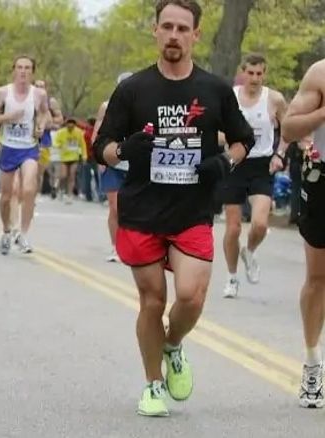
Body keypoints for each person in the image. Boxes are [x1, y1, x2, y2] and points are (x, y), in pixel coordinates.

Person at [93, 0, 254, 417]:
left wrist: (224, 162)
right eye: (167, 27)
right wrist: (124, 149)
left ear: (196, 35)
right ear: (155, 31)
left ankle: (173, 344)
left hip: (192, 210)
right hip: (142, 210)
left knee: (190, 296)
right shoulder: (132, 89)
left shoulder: (215, 89)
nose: (174, 36)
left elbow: (243, 140)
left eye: (183, 29)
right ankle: (151, 385)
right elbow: (101, 148)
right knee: (151, 301)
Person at [221, 53, 288, 298]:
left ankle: (249, 251)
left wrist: (279, 154)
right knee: (233, 228)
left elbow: (289, 128)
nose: (255, 78)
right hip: (236, 163)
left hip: (262, 166)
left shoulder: (274, 99)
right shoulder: (231, 98)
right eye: (250, 73)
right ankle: (231, 277)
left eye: (260, 73)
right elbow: (218, 131)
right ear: (243, 73)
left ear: (264, 74)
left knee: (259, 224)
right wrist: (230, 138)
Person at [281, 57, 325, 409]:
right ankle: (312, 361)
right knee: (318, 277)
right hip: (323, 179)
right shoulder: (321, 73)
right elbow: (289, 129)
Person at [0, 55, 49, 254]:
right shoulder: (3, 92)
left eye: (27, 68)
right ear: (14, 70)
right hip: (8, 147)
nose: (23, 71)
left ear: (32, 72)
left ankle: (23, 234)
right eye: (20, 67)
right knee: (6, 196)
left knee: (29, 188)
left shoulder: (38, 94)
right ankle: (6, 231)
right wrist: (8, 117)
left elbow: (45, 113)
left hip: (29, 148)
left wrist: (40, 125)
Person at [92, 72, 133, 262]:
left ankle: (133, 244)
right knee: (115, 207)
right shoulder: (107, 107)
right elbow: (97, 134)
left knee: (133, 208)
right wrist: (99, 157)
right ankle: (116, 247)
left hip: (135, 164)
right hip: (113, 163)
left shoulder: (144, 106)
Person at [34, 79, 64, 195]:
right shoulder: (27, 99)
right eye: (36, 86)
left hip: (44, 140)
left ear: (46, 88)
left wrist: (48, 123)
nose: (39, 88)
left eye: (41, 86)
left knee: (39, 171)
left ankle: (34, 195)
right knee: (29, 169)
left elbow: (60, 119)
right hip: (28, 138)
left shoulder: (51, 102)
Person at [54, 117, 87, 204]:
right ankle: (60, 190)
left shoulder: (79, 132)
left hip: (74, 157)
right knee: (63, 176)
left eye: (72, 123)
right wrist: (60, 145)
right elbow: (55, 142)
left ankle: (70, 194)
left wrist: (84, 156)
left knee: (72, 176)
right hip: (64, 157)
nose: (71, 125)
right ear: (66, 124)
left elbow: (83, 145)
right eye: (69, 123)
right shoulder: (61, 132)